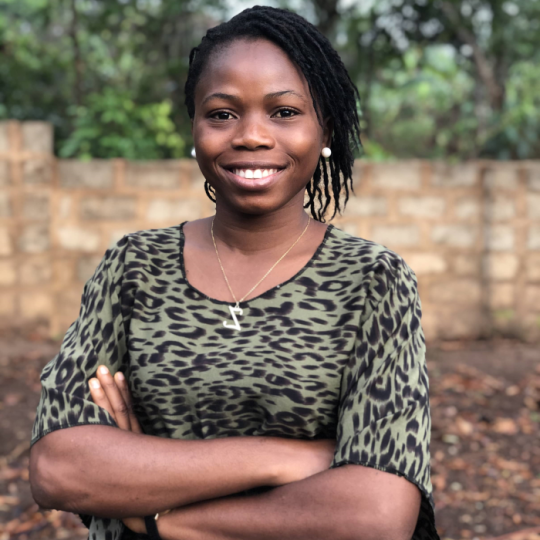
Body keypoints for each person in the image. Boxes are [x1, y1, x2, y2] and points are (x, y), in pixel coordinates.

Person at [29, 6, 439, 540]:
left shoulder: (372, 280)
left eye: (284, 112)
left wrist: (155, 511)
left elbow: (376, 515)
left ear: (325, 128)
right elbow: (59, 467)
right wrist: (285, 459)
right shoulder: (135, 266)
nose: (251, 136)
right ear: (195, 128)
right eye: (222, 114)